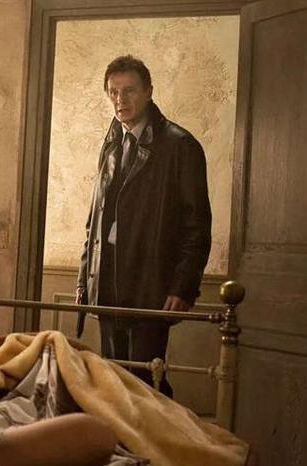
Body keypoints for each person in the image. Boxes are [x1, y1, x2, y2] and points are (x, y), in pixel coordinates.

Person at [76, 55, 212, 397]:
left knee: (146, 384)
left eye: (129, 91)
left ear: (149, 91)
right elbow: (95, 218)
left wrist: (183, 285)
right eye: (113, 92)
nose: (120, 100)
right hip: (108, 281)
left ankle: (160, 431)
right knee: (113, 381)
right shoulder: (111, 142)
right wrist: (85, 277)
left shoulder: (180, 146)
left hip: (151, 283)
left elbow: (197, 225)